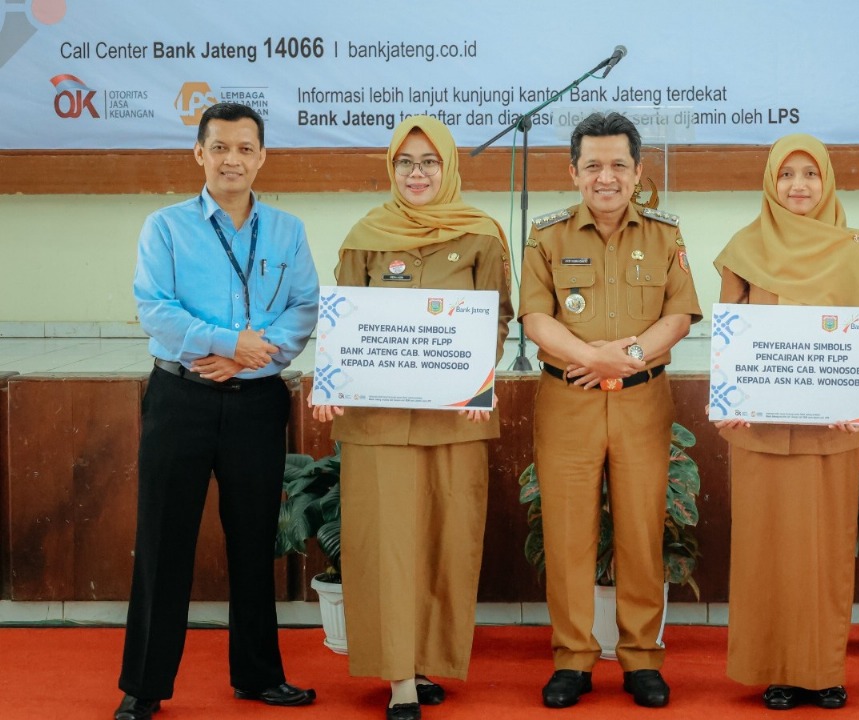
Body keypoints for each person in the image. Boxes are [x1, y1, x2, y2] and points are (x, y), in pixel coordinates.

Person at [117, 102, 319, 720]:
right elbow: (154, 308)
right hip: (181, 399)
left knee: (255, 543)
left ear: (262, 156)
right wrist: (228, 343)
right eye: (221, 148)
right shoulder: (167, 226)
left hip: (258, 401)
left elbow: (305, 309)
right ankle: (143, 687)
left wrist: (250, 358)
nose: (233, 159)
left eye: (245, 148)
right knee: (163, 541)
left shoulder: (286, 230)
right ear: (199, 154)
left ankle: (258, 675)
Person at [310, 115, 513, 720]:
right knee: (388, 547)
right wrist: (330, 379)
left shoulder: (482, 236)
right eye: (405, 162)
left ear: (449, 166)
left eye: (429, 162)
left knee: (446, 543)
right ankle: (399, 678)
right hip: (378, 426)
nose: (417, 174)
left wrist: (477, 373)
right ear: (390, 168)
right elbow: (341, 322)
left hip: (455, 421)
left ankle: (426, 662)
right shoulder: (365, 235)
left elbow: (497, 320)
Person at [519, 111, 702, 709]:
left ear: (638, 171)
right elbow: (537, 318)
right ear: (573, 172)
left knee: (642, 532)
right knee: (568, 533)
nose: (606, 177)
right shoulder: (546, 237)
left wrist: (622, 356)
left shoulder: (664, 235)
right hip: (567, 400)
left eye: (618, 165)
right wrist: (593, 359)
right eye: (593, 165)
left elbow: (678, 316)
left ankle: (641, 658)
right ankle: (572, 658)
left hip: (641, 401)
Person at [711, 134, 859, 710]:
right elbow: (728, 330)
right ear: (770, 182)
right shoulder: (744, 248)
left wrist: (858, 401)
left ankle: (823, 670)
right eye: (787, 175)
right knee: (767, 550)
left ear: (827, 180)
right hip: (758, 432)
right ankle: (778, 670)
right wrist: (728, 403)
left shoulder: (853, 248)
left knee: (826, 552)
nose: (799, 185)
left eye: (810, 173)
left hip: (830, 433)